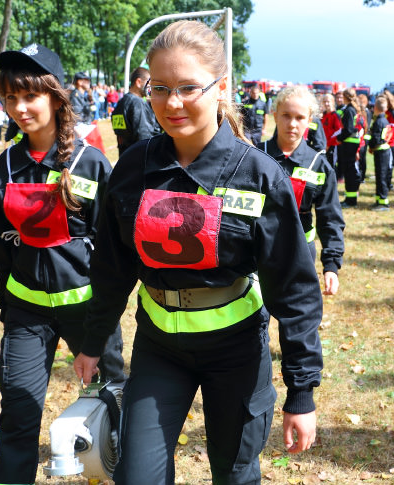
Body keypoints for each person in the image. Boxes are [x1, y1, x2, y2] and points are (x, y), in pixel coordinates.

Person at [73, 20, 323, 484]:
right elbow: (111, 265)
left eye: (188, 87)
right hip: (159, 349)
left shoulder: (260, 176)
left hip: (237, 350)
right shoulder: (133, 168)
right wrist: (93, 340)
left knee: (234, 474)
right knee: (137, 476)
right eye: (160, 88)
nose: (172, 103)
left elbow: (294, 289)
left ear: (221, 88)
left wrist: (301, 391)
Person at [0, 43, 126, 485]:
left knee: (113, 404)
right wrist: (8, 303)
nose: (20, 108)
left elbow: (114, 253)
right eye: (10, 98)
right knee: (19, 415)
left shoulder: (92, 163)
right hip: (26, 313)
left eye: (29, 96)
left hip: (89, 312)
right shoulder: (5, 165)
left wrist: (100, 325)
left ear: (54, 97)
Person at [259, 85, 344, 295]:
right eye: (286, 115)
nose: (292, 124)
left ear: (310, 121)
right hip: (257, 255)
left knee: (300, 323)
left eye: (300, 117)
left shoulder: (319, 165)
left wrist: (331, 266)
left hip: (301, 255)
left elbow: (330, 219)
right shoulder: (255, 157)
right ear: (275, 114)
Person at [111, 66, 160, 156]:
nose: (150, 89)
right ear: (138, 82)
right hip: (140, 159)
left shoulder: (121, 102)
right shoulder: (137, 103)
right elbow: (144, 137)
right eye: (148, 85)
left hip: (125, 157)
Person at [336, 88, 364, 207]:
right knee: (350, 172)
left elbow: (348, 129)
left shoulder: (348, 110)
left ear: (346, 97)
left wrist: (339, 138)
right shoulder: (354, 109)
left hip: (348, 145)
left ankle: (351, 200)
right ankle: (350, 198)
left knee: (349, 173)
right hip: (353, 144)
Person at [368, 96, 392, 210]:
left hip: (381, 151)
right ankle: (379, 200)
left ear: (375, 108)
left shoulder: (378, 121)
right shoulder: (385, 119)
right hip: (382, 151)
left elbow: (376, 138)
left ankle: (383, 202)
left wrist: (371, 146)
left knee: (381, 176)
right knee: (379, 176)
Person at [320, 94, 342, 170]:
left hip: (332, 145)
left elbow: (338, 132)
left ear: (332, 102)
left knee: (331, 166)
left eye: (328, 102)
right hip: (323, 144)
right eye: (324, 102)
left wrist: (328, 144)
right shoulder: (323, 116)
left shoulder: (335, 115)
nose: (326, 104)